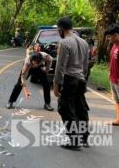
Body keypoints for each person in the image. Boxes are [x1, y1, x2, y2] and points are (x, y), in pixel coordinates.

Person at [53, 17, 90, 149]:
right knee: (81, 107)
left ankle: (74, 141)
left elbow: (60, 66)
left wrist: (56, 84)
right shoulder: (84, 42)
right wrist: (84, 79)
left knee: (65, 108)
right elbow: (86, 65)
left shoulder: (64, 43)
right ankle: (84, 138)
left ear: (61, 29)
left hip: (70, 79)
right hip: (81, 79)